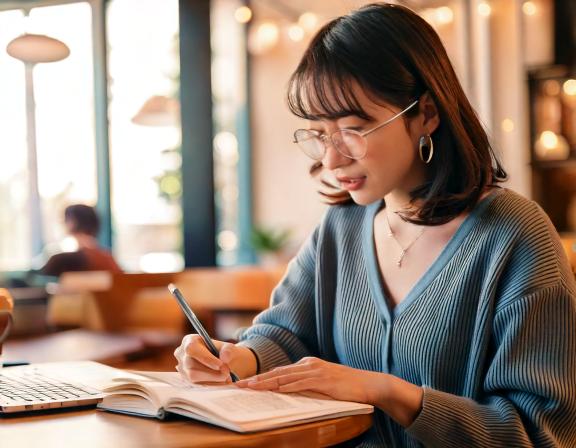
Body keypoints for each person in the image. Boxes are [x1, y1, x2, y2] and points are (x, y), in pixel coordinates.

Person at [174, 3, 576, 446]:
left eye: (353, 128)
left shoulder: (514, 235)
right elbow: (288, 334)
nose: (332, 158)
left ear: (426, 113)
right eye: (320, 133)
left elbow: (542, 434)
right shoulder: (341, 228)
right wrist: (237, 358)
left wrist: (385, 392)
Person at [39, 204, 121, 277]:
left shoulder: (61, 260)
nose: (62, 223)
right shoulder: (108, 259)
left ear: (72, 223)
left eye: (64, 219)